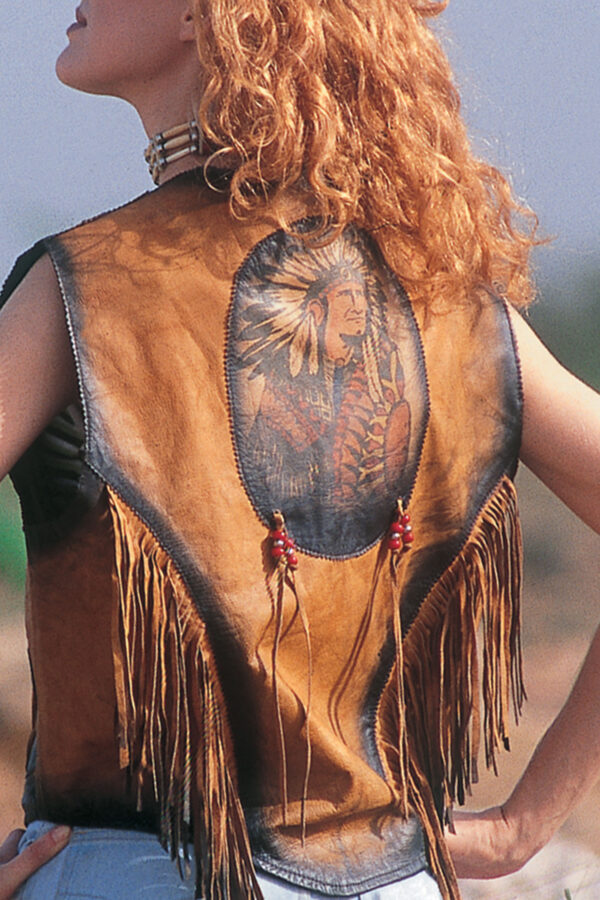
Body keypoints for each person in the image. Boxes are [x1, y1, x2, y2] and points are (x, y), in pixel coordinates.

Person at [0, 1, 598, 899]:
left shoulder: (80, 290)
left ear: (209, 17)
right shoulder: (449, 298)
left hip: (131, 874)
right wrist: (523, 824)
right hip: (395, 877)